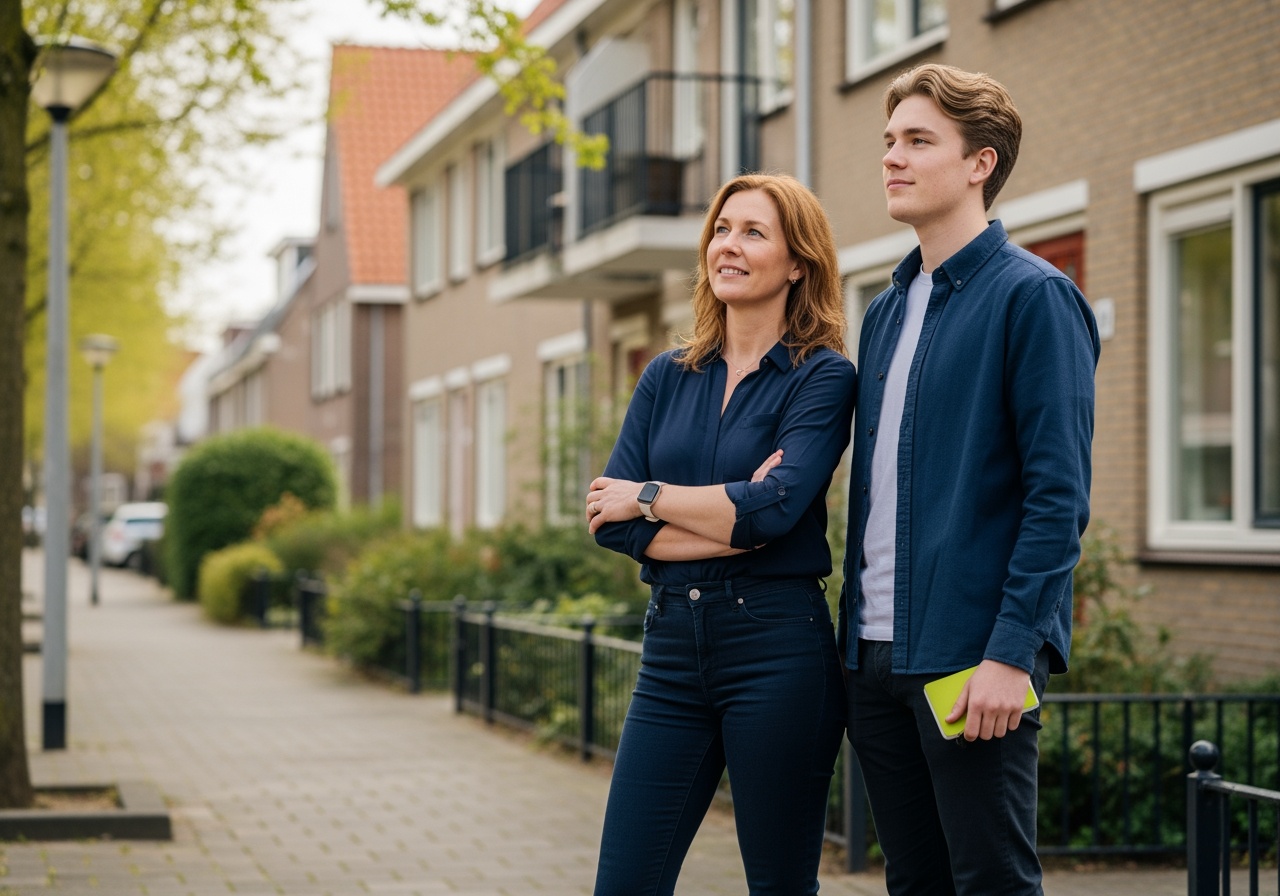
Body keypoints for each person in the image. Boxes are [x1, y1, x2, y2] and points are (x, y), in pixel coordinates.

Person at [837, 64, 1100, 895]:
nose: (892, 158)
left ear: (980, 163)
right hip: (873, 654)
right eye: (889, 141)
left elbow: (1058, 498)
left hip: (968, 659)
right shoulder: (885, 311)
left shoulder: (1036, 299)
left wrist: (1012, 654)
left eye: (918, 141)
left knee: (991, 881)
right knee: (913, 883)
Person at [585, 172, 856, 896]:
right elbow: (607, 527)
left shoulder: (823, 379)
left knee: (780, 886)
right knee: (624, 885)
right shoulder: (666, 376)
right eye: (722, 229)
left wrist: (648, 498)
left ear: (798, 262)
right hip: (671, 650)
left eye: (754, 232)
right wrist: (739, 517)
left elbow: (773, 509)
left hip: (777, 650)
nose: (727, 246)